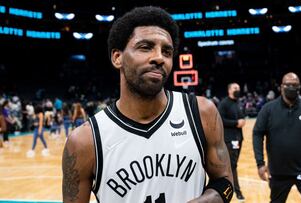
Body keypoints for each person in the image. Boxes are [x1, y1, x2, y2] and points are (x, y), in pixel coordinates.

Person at [62, 6, 234, 203]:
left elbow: (225, 182)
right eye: (145, 47)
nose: (159, 58)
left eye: (167, 51)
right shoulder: (84, 141)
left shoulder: (202, 113)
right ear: (117, 57)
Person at [253, 72, 301, 203]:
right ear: (281, 86)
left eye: (294, 85)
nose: (291, 87)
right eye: (288, 84)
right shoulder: (268, 109)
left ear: (299, 87)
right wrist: (260, 163)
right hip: (278, 172)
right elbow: (257, 134)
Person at [218, 83, 246, 201]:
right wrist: (236, 123)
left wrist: (242, 121)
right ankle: (236, 191)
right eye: (235, 88)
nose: (237, 90)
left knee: (233, 165)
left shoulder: (238, 102)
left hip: (239, 138)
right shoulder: (224, 103)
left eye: (238, 88)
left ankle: (228, 187)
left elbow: (241, 117)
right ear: (229, 90)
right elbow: (220, 119)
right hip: (230, 139)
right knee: (232, 165)